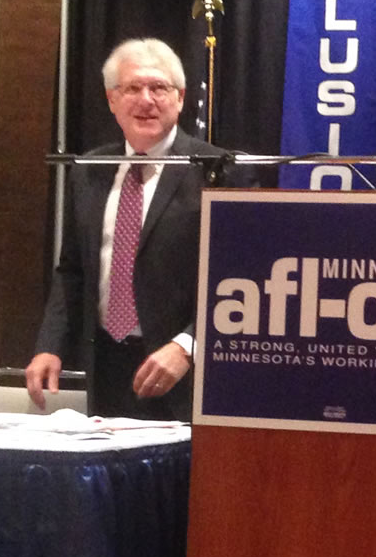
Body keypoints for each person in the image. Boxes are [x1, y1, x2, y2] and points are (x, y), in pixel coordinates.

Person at [26, 38, 243, 421]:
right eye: (132, 88)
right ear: (112, 100)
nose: (146, 100)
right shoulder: (89, 169)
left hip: (185, 373)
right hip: (106, 366)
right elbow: (72, 270)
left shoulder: (217, 170)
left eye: (159, 88)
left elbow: (239, 278)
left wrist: (189, 345)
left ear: (180, 98)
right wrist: (50, 345)